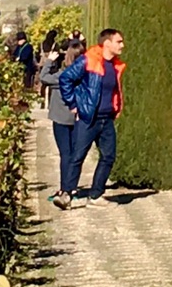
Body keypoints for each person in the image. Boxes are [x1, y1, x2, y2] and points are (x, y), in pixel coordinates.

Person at [51, 28, 125, 208]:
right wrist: (73, 104)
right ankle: (66, 194)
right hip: (88, 118)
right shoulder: (88, 60)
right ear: (107, 43)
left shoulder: (115, 65)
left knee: (108, 156)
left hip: (106, 118)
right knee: (77, 156)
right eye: (119, 41)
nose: (122, 45)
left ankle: (96, 195)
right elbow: (65, 79)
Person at [38, 31, 85, 193]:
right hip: (78, 117)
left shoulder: (62, 76)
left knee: (65, 153)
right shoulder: (84, 75)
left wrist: (49, 61)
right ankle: (72, 186)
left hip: (60, 117)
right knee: (75, 154)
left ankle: (65, 188)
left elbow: (44, 77)